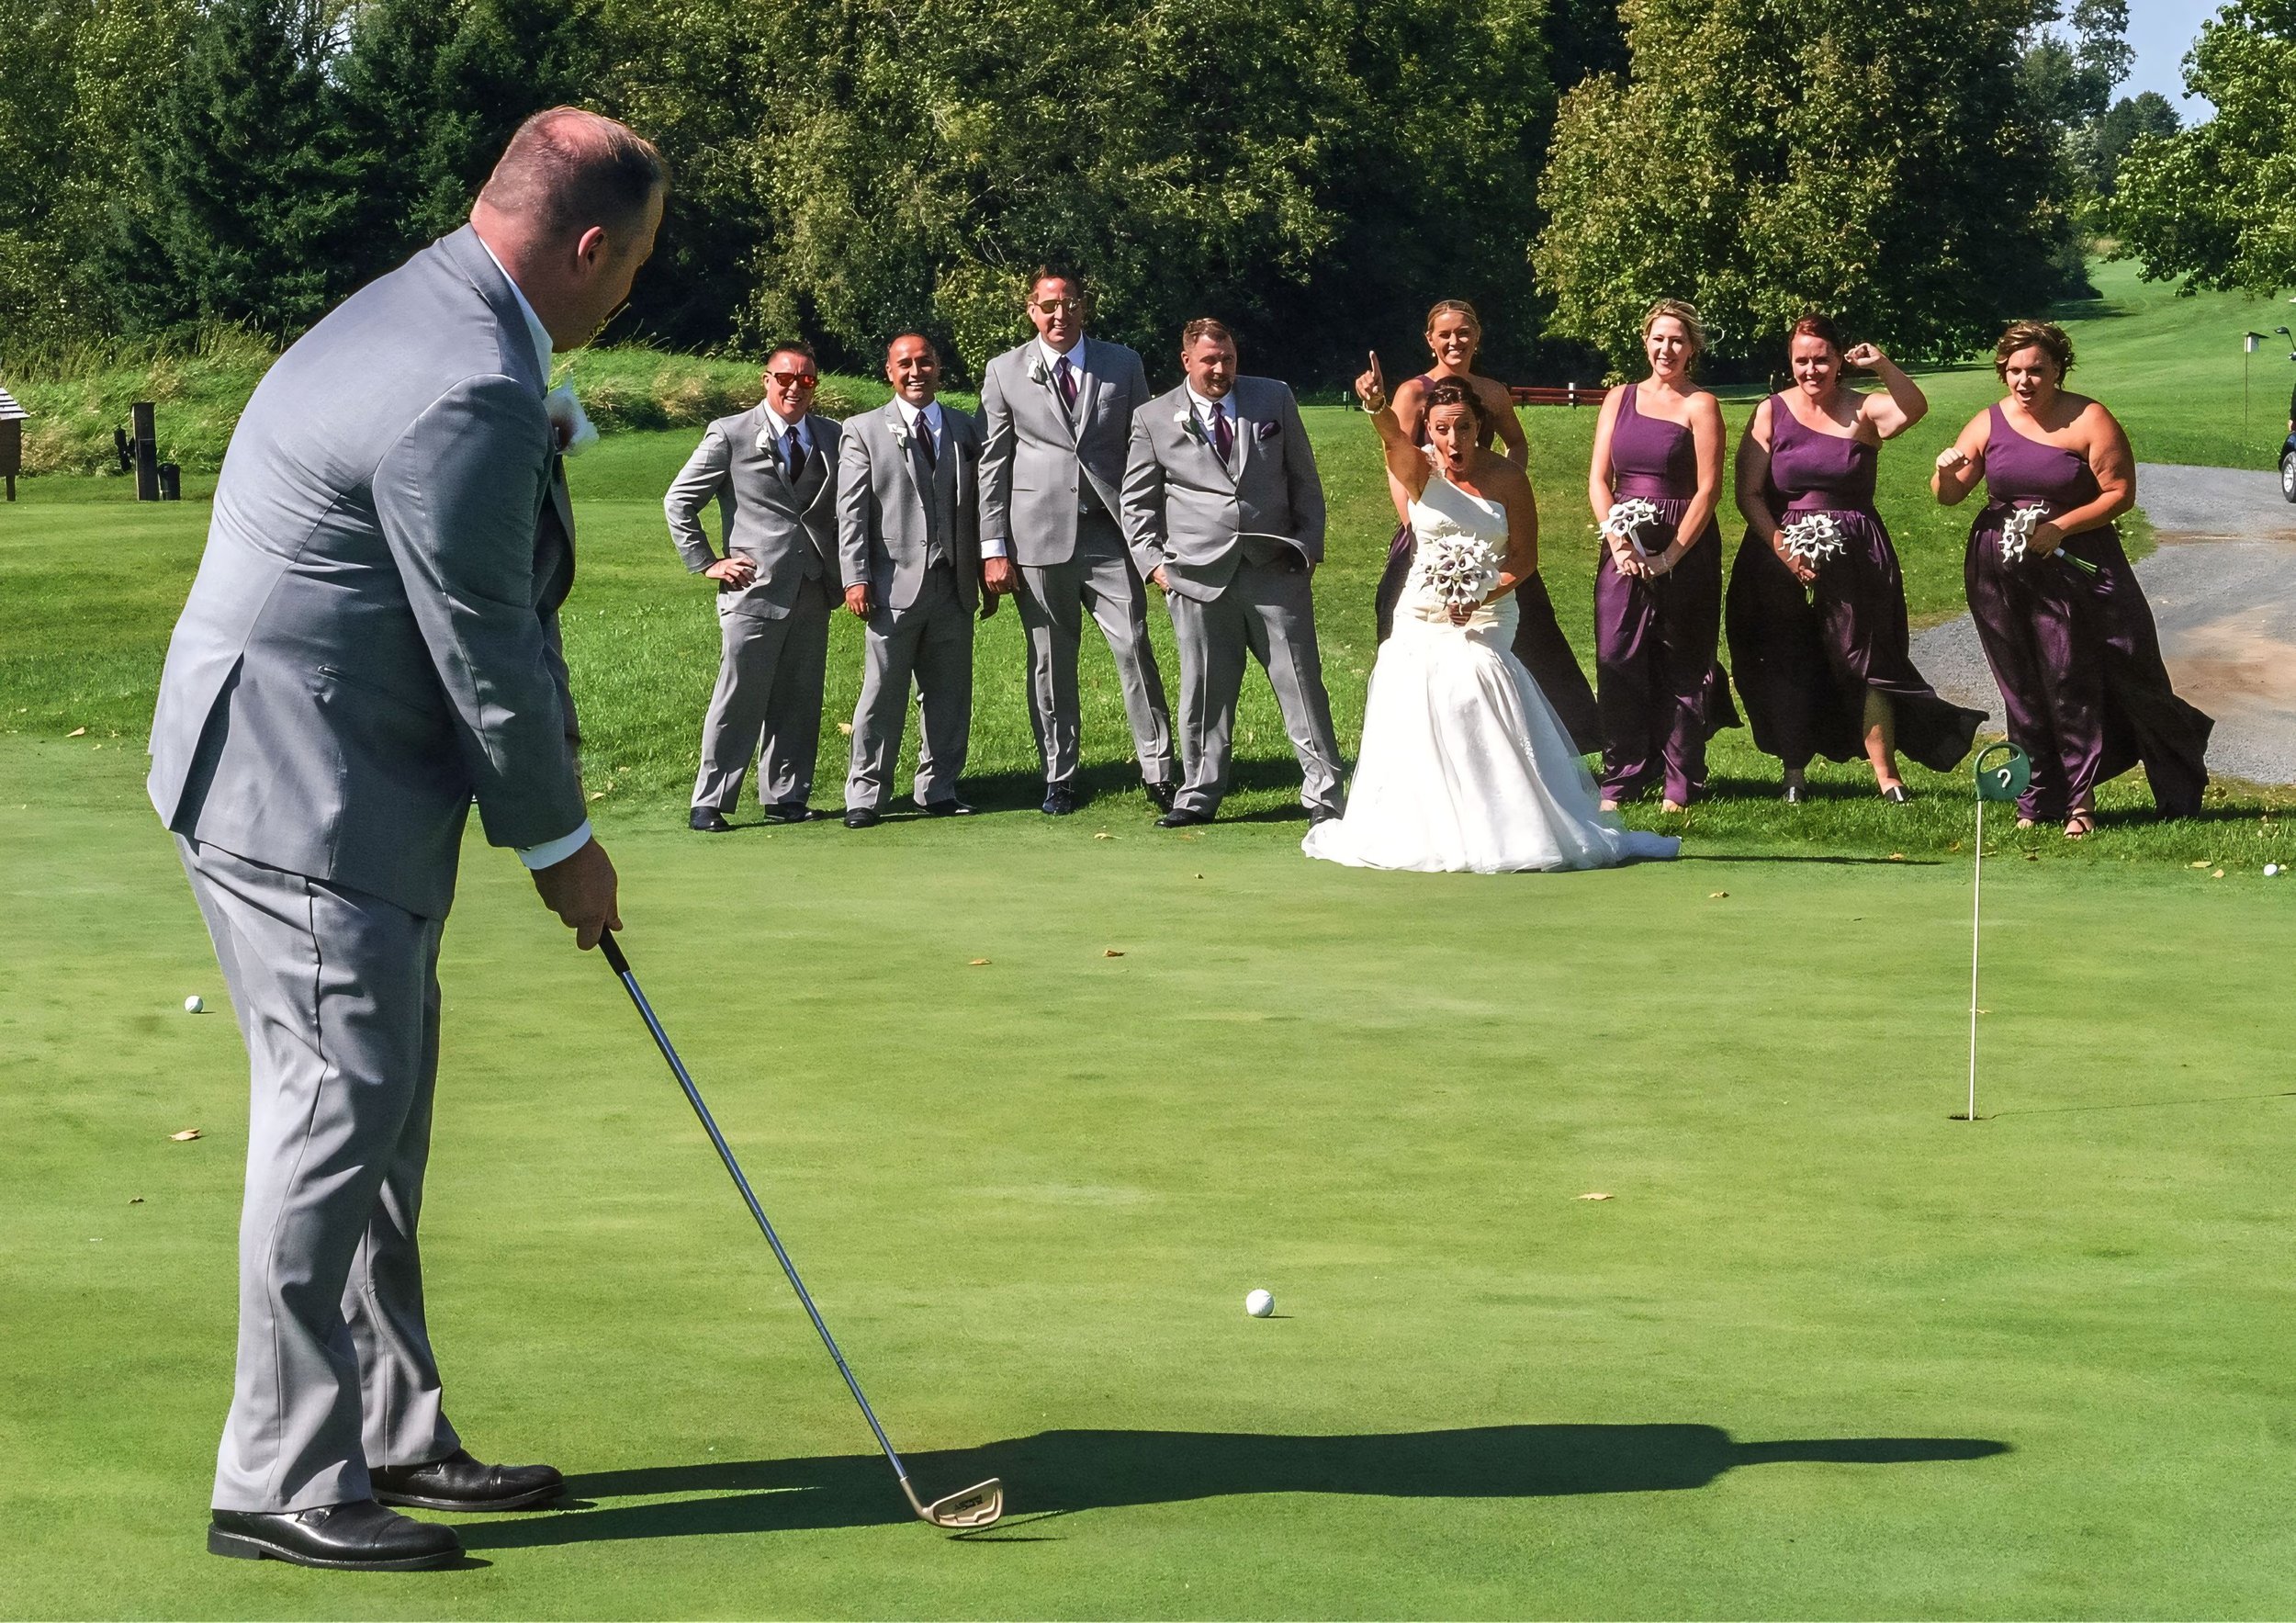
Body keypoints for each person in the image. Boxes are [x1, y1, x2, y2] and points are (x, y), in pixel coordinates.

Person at [145, 107, 661, 1572]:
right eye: (630, 265)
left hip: (302, 761)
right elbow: (485, 643)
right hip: (303, 783)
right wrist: (560, 840)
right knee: (335, 1109)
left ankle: (387, 1425)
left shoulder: (432, 308)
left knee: (373, 1104)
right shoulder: (468, 379)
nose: (630, 292)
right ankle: (282, 1473)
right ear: (581, 246)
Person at [1303, 355, 1678, 872]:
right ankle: (1428, 826)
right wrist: (1375, 408)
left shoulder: (1507, 477)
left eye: (1464, 427)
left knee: (1474, 682)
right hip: (1420, 609)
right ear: (1429, 432)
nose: (1454, 440)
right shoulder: (1419, 468)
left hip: (1490, 609)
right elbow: (1392, 440)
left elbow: (1524, 558)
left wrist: (1480, 595)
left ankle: (1505, 824)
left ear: (1480, 425)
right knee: (1412, 690)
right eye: (1442, 430)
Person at [1933, 321, 2212, 835]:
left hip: (2078, 566)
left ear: (2058, 369)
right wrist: (1947, 470)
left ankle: (2081, 803)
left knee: (2075, 680)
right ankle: (2036, 801)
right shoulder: (1987, 422)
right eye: (2013, 371)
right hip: (2001, 570)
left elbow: (2119, 493)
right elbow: (1949, 494)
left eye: (2036, 370)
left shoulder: (2090, 418)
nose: (2024, 381)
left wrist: (2060, 527)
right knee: (2021, 687)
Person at [1726, 314, 1982, 800]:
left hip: (1857, 551)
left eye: (1821, 359)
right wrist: (1785, 552)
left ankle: (1887, 776)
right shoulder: (1769, 412)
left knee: (1868, 660)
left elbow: (1913, 408)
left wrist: (1881, 363)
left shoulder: (1864, 411)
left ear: (1839, 360)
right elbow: (1749, 495)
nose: (1811, 370)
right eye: (1801, 361)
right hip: (1778, 552)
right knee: (1786, 657)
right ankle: (1794, 771)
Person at [1120, 318, 1343, 827]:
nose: (1221, 370)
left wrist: (1307, 547)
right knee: (1203, 692)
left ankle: (1325, 798)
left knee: (1302, 686)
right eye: (1210, 361)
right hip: (1195, 576)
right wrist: (1155, 565)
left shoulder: (1274, 399)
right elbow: (1136, 503)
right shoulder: (1153, 418)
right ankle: (1197, 795)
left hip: (1274, 568)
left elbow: (1304, 478)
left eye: (1228, 359)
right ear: (1186, 362)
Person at [977, 268, 1177, 816]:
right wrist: (993, 547)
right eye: (1048, 305)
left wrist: (1154, 534)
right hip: (1036, 537)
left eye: (1068, 303)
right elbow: (992, 464)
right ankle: (1059, 775)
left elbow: (1147, 450)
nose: (1059, 313)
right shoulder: (1004, 371)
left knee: (1135, 647)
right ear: (1031, 311)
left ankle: (1159, 769)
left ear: (1082, 308)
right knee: (1049, 661)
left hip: (1112, 534)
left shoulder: (1122, 363)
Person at [1370, 299, 1600, 752]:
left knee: (1533, 633)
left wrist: (1499, 494)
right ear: (1430, 339)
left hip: (1488, 533)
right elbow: (1396, 453)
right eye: (1445, 334)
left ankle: (1548, 739)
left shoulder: (1491, 392)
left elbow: (1517, 444)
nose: (1455, 341)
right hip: (1429, 522)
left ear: (1477, 335)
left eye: (1463, 332)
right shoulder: (1414, 392)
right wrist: (1422, 516)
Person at [666, 341, 840, 830]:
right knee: (739, 694)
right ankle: (710, 799)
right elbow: (678, 501)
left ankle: (786, 796)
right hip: (752, 588)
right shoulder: (731, 433)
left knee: (800, 696)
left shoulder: (832, 435)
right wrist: (707, 563)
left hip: (812, 584)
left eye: (805, 380)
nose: (794, 387)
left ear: (815, 386)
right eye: (784, 378)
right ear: (766, 380)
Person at [838, 332, 993, 826]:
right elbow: (851, 513)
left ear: (938, 367)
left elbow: (982, 507)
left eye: (924, 362)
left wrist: (987, 568)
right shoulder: (862, 430)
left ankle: (938, 787)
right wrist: (855, 578)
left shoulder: (965, 428)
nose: (915, 372)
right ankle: (865, 795)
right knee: (881, 696)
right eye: (904, 364)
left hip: (954, 584)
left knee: (949, 695)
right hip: (891, 586)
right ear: (889, 371)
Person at [1588, 299, 1736, 813]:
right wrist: (1618, 542)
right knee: (1616, 655)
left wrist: (1671, 555)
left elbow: (1710, 489)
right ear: (1645, 341)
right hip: (1623, 540)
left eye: (1677, 340)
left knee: (1685, 659)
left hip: (1685, 545)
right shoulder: (1619, 397)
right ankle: (1623, 773)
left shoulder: (1702, 404)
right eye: (1658, 338)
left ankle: (1682, 778)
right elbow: (1598, 480)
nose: (1666, 349)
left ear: (1692, 348)